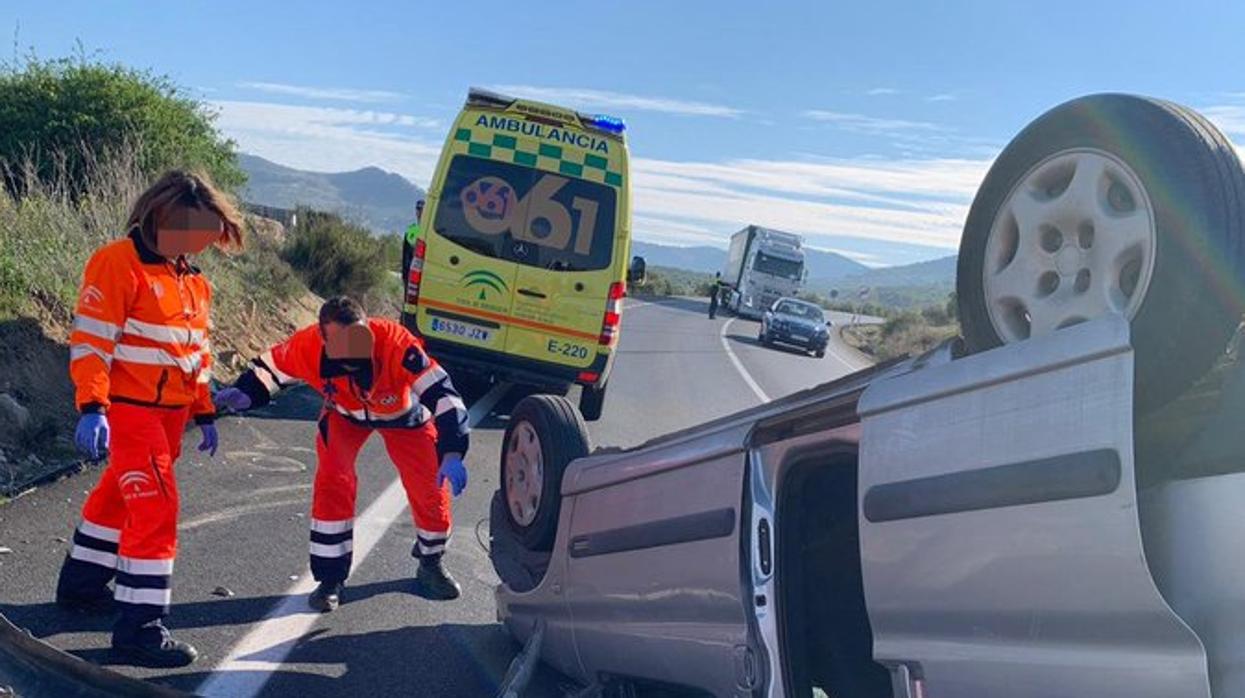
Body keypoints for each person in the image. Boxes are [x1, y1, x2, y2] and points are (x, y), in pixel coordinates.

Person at [55, 170, 242, 668]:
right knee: (156, 510)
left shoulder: (193, 282)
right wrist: (93, 407)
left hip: (171, 418)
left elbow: (195, 356)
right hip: (130, 413)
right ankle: (139, 630)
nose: (198, 245)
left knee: (118, 495)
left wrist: (203, 412)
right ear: (159, 216)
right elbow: (92, 342)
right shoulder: (117, 263)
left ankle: (80, 586)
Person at [215, 296, 470, 611]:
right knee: (333, 480)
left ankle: (431, 562)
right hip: (344, 416)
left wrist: (453, 449)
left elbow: (443, 395)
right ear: (323, 337)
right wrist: (247, 391)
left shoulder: (395, 344)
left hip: (405, 419)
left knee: (430, 486)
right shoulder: (306, 346)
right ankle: (330, 580)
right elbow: (270, 368)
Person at [401, 198, 426, 318]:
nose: (419, 212)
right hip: (410, 272)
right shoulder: (412, 229)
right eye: (418, 209)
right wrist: (404, 273)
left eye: (422, 209)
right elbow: (405, 252)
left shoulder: (428, 230)